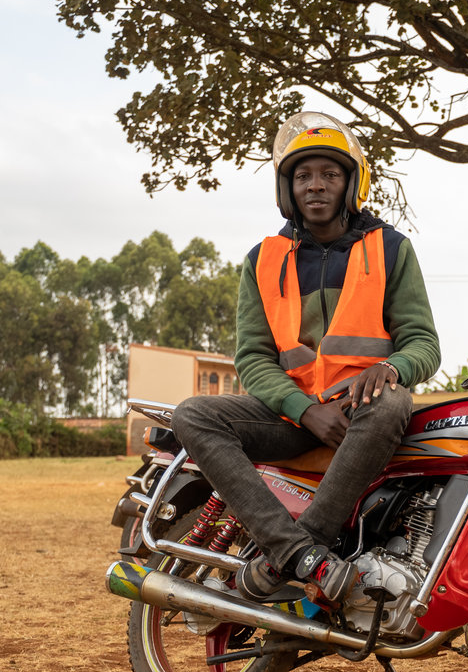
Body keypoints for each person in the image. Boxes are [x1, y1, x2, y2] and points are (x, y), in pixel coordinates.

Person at [171, 112, 440, 607]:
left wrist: (393, 367)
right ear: (287, 187)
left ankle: (294, 551)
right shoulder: (262, 259)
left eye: (330, 174)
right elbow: (252, 358)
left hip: (362, 413)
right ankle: (300, 554)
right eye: (303, 176)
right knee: (191, 414)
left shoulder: (392, 250)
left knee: (394, 401)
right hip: (288, 415)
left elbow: (423, 342)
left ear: (350, 183)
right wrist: (303, 409)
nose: (316, 185)